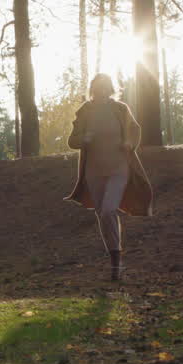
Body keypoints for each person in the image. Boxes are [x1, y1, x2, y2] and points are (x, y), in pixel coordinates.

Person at [65, 73, 153, 280]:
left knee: (108, 211)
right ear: (92, 88)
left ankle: (117, 263)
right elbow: (72, 141)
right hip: (93, 172)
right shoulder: (85, 111)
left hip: (119, 168)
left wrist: (130, 144)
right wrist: (83, 139)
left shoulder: (120, 109)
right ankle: (114, 262)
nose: (101, 90)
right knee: (101, 215)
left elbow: (134, 130)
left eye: (105, 86)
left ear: (110, 88)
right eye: (97, 86)